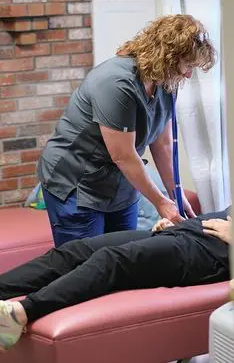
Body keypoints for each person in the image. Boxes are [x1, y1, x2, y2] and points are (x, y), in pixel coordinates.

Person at [0, 208, 232, 351]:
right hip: (191, 231)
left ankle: (17, 315)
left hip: (217, 253)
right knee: (76, 250)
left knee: (111, 262)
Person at [36, 14, 217, 246]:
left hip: (119, 186)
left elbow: (161, 143)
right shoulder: (116, 83)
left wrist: (175, 193)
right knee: (84, 266)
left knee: (122, 261)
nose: (189, 74)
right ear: (168, 57)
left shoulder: (167, 82)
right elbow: (123, 154)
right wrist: (160, 202)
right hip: (76, 184)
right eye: (188, 65)